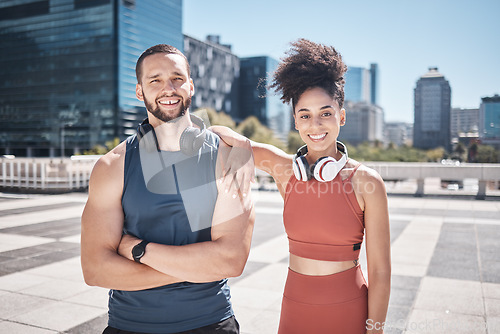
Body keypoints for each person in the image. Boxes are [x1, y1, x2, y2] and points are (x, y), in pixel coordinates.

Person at [211, 38, 391, 333]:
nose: (315, 125)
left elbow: (381, 271)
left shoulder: (367, 182)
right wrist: (244, 144)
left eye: (326, 113)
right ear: (295, 121)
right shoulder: (285, 171)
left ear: (341, 116)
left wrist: (375, 328)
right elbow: (216, 135)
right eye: (305, 116)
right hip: (295, 306)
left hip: (348, 308)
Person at [81, 44, 255, 334]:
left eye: (177, 78)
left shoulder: (229, 156)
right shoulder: (112, 167)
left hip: (210, 323)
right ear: (140, 91)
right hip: (129, 326)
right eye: (155, 80)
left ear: (191, 86)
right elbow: (96, 269)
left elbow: (231, 260)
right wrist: (197, 267)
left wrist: (136, 250)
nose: (168, 88)